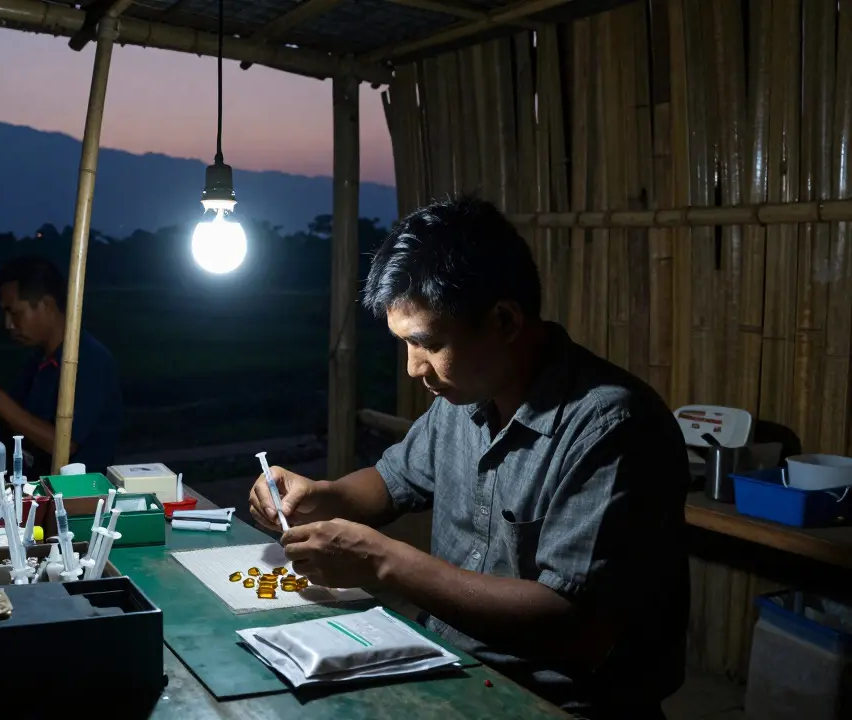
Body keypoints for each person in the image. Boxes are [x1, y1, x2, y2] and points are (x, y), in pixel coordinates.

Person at [249, 197, 689, 719]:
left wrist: (385, 561)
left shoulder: (612, 427)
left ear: (503, 320)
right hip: (451, 666)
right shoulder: (465, 395)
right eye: (405, 345)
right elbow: (391, 482)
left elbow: (572, 624)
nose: (414, 368)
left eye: (428, 344)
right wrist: (320, 495)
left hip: (564, 702)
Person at [0, 255, 123, 473]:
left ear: (47, 305)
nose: (8, 325)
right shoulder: (39, 360)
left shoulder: (89, 360)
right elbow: (14, 420)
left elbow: (64, 444)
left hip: (77, 495)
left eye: (16, 313)